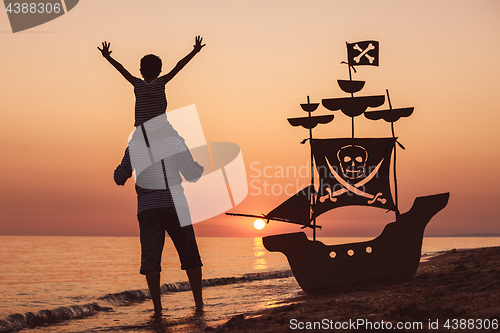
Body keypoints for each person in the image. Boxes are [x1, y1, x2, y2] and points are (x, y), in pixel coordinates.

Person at [113, 122, 205, 316]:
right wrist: (199, 167)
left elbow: (119, 178)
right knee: (190, 254)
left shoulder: (134, 146)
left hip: (148, 208)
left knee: (151, 259)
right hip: (175, 205)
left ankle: (157, 309)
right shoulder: (174, 141)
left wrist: (120, 170)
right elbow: (192, 174)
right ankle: (199, 304)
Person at [98, 36, 205, 127]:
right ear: (159, 71)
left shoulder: (137, 84)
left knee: (130, 151)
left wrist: (107, 57)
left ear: (141, 71)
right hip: (161, 131)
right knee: (180, 146)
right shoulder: (160, 83)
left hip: (142, 132)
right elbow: (179, 66)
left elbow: (121, 69)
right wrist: (194, 51)